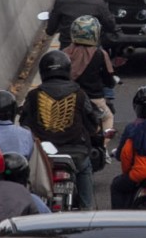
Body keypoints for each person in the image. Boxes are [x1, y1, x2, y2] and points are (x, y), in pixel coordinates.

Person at [20, 50, 100, 210]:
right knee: (85, 169)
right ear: (67, 70)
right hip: (76, 154)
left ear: (43, 72)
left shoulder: (34, 96)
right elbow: (92, 124)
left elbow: (24, 124)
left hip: (43, 156)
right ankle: (87, 210)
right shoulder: (80, 94)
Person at [63, 15, 117, 134]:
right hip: (94, 99)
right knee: (108, 117)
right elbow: (109, 80)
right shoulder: (99, 54)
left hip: (68, 99)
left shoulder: (64, 53)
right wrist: (111, 83)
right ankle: (103, 148)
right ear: (95, 33)